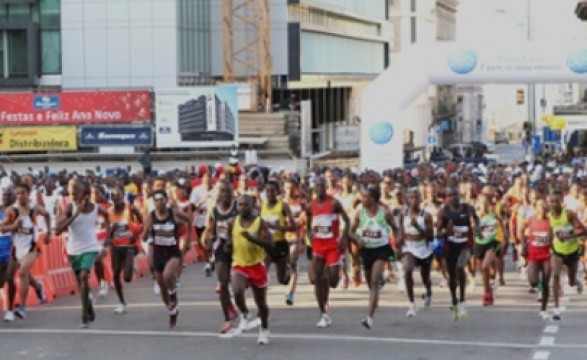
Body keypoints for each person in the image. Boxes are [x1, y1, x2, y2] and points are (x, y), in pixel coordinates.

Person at [56, 181, 111, 328]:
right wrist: (75, 214)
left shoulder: (96, 208)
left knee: (84, 276)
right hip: (74, 250)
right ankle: (89, 307)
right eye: (70, 191)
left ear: (85, 193)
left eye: (75, 191)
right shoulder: (70, 207)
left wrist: (108, 239)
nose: (72, 194)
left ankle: (84, 315)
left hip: (90, 248)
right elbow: (57, 230)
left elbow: (107, 216)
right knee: (81, 285)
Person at [226, 194, 274, 344]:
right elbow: (229, 238)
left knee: (261, 304)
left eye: (246, 205)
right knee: (237, 289)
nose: (243, 207)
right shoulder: (232, 222)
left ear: (253, 206)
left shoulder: (260, 223)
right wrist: (227, 245)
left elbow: (270, 244)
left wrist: (252, 239)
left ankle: (264, 329)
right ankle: (244, 313)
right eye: (240, 204)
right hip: (239, 263)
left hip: (257, 265)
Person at [141, 190, 191, 328]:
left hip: (173, 252)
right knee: (162, 287)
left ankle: (173, 294)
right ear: (153, 202)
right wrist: (147, 229)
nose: (159, 202)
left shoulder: (174, 213)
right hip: (158, 253)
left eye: (161, 199)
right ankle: (172, 311)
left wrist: (187, 240)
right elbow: (144, 237)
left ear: (166, 200)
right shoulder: (150, 217)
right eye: (156, 200)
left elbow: (188, 220)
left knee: (168, 275)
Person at [350, 185, 397, 329]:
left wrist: (398, 242)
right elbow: (350, 231)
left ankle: (369, 317)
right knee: (370, 283)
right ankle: (374, 299)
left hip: (381, 249)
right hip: (366, 250)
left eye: (365, 197)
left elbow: (396, 229)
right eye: (362, 196)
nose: (362, 199)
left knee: (375, 281)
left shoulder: (385, 213)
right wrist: (357, 239)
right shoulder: (359, 212)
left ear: (373, 199)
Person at [306, 176, 350, 328]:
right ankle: (323, 313)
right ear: (314, 189)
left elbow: (347, 220)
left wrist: (343, 237)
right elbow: (307, 222)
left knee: (333, 282)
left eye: (322, 186)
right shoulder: (310, 206)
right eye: (317, 187)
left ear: (326, 187)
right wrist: (309, 233)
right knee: (318, 278)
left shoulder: (334, 203)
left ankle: (335, 270)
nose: (320, 189)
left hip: (332, 245)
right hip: (318, 244)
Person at [203, 181, 239, 335]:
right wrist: (209, 238)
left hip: (239, 248)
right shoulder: (214, 210)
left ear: (232, 193)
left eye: (227, 191)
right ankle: (228, 318)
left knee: (239, 286)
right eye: (222, 191)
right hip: (222, 248)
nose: (224, 194)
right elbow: (211, 229)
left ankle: (240, 309)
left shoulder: (238, 208)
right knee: (222, 284)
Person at [437, 186, 477, 320]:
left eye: (455, 194)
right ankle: (454, 301)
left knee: (461, 266)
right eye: (450, 195)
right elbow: (438, 232)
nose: (453, 197)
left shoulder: (467, 208)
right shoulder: (443, 212)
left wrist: (476, 229)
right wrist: (445, 231)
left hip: (465, 245)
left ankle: (463, 301)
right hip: (450, 246)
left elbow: (476, 220)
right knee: (452, 276)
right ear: (446, 198)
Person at [548, 190, 586, 320]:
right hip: (557, 252)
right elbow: (549, 233)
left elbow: (583, 231)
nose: (554, 204)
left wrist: (570, 236)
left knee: (571, 282)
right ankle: (556, 309)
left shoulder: (569, 214)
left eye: (557, 201)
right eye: (552, 201)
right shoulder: (549, 216)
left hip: (571, 251)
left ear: (562, 202)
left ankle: (577, 281)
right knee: (555, 275)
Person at [400, 188, 434, 317]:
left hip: (423, 248)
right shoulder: (404, 213)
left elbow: (431, 237)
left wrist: (418, 227)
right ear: (408, 199)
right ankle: (411, 303)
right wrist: (399, 242)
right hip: (409, 247)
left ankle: (429, 292)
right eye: (411, 197)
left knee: (425, 278)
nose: (414, 200)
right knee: (407, 270)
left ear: (420, 199)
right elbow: (399, 230)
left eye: (416, 197)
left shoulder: (426, 215)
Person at [108, 186, 143, 314]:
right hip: (116, 246)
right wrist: (112, 229)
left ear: (123, 196)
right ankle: (122, 303)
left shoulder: (131, 208)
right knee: (116, 274)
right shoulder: (109, 211)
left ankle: (130, 265)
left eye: (118, 195)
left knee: (127, 278)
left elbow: (143, 223)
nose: (116, 197)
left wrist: (136, 234)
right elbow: (107, 232)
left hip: (130, 245)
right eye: (113, 195)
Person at [519, 199, 552, 320]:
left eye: (544, 206)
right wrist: (523, 244)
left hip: (547, 255)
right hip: (533, 254)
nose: (542, 208)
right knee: (533, 281)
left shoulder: (550, 220)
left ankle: (543, 308)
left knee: (545, 281)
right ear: (536, 208)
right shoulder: (531, 219)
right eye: (540, 206)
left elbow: (556, 233)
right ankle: (539, 288)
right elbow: (521, 229)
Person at [261, 180, 296, 286]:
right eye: (268, 191)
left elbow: (293, 227)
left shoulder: (283, 206)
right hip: (267, 245)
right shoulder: (262, 206)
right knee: (262, 273)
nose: (270, 194)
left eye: (272, 191)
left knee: (282, 280)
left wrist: (275, 227)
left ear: (277, 192)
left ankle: (288, 269)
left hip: (280, 244)